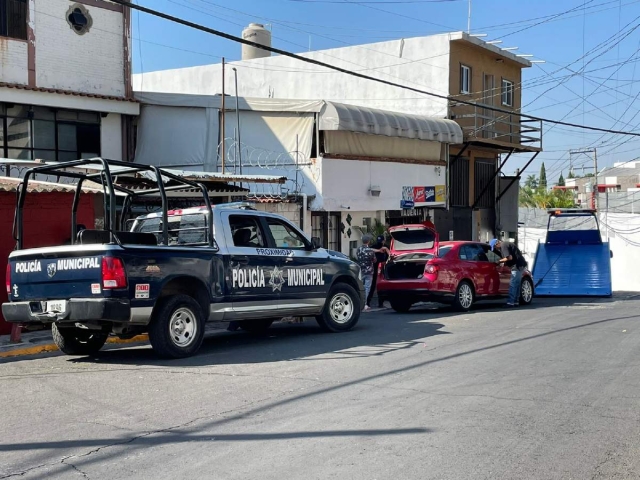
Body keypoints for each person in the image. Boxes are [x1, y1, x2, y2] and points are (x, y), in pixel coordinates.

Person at [490, 238, 527, 307]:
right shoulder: (506, 244)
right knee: (517, 284)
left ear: (497, 243)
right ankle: (516, 301)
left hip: (517, 266)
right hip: (520, 265)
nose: (496, 248)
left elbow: (509, 258)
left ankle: (510, 302)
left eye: (495, 247)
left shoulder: (503, 245)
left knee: (513, 284)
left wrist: (499, 261)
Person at [356, 234, 389, 312]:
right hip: (369, 271)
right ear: (368, 241)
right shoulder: (370, 251)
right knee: (367, 288)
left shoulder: (359, 249)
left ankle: (360, 303)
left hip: (361, 270)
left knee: (361, 287)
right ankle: (365, 304)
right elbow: (374, 260)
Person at [367, 234, 389, 308]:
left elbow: (391, 255)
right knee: (373, 286)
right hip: (374, 268)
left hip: (383, 268)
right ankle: (368, 302)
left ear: (384, 241)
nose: (380, 242)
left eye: (381, 241)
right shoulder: (375, 246)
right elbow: (369, 250)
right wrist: (379, 250)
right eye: (379, 241)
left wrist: (386, 249)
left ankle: (380, 303)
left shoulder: (386, 247)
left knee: (381, 286)